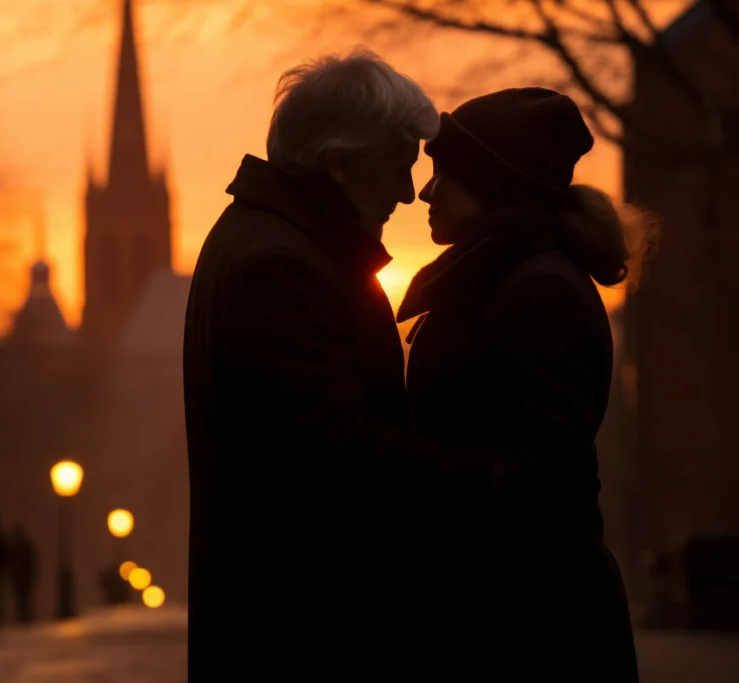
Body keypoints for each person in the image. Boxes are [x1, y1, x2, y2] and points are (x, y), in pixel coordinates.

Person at [183, 48, 515, 682]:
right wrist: (491, 475)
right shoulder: (282, 267)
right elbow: (337, 451)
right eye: (395, 167)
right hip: (305, 635)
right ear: (338, 165)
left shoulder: (266, 240)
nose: (409, 192)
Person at [397, 87, 650, 681]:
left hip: (533, 630)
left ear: (494, 183)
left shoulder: (538, 291)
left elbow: (545, 483)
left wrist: (411, 466)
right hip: (513, 616)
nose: (426, 192)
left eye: (446, 174)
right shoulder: (509, 277)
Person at [6, 524, 37, 625]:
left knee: (22, 599)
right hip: (22, 577)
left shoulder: (16, 547)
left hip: (21, 577)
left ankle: (24, 618)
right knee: (23, 599)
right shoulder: (24, 546)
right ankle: (24, 618)